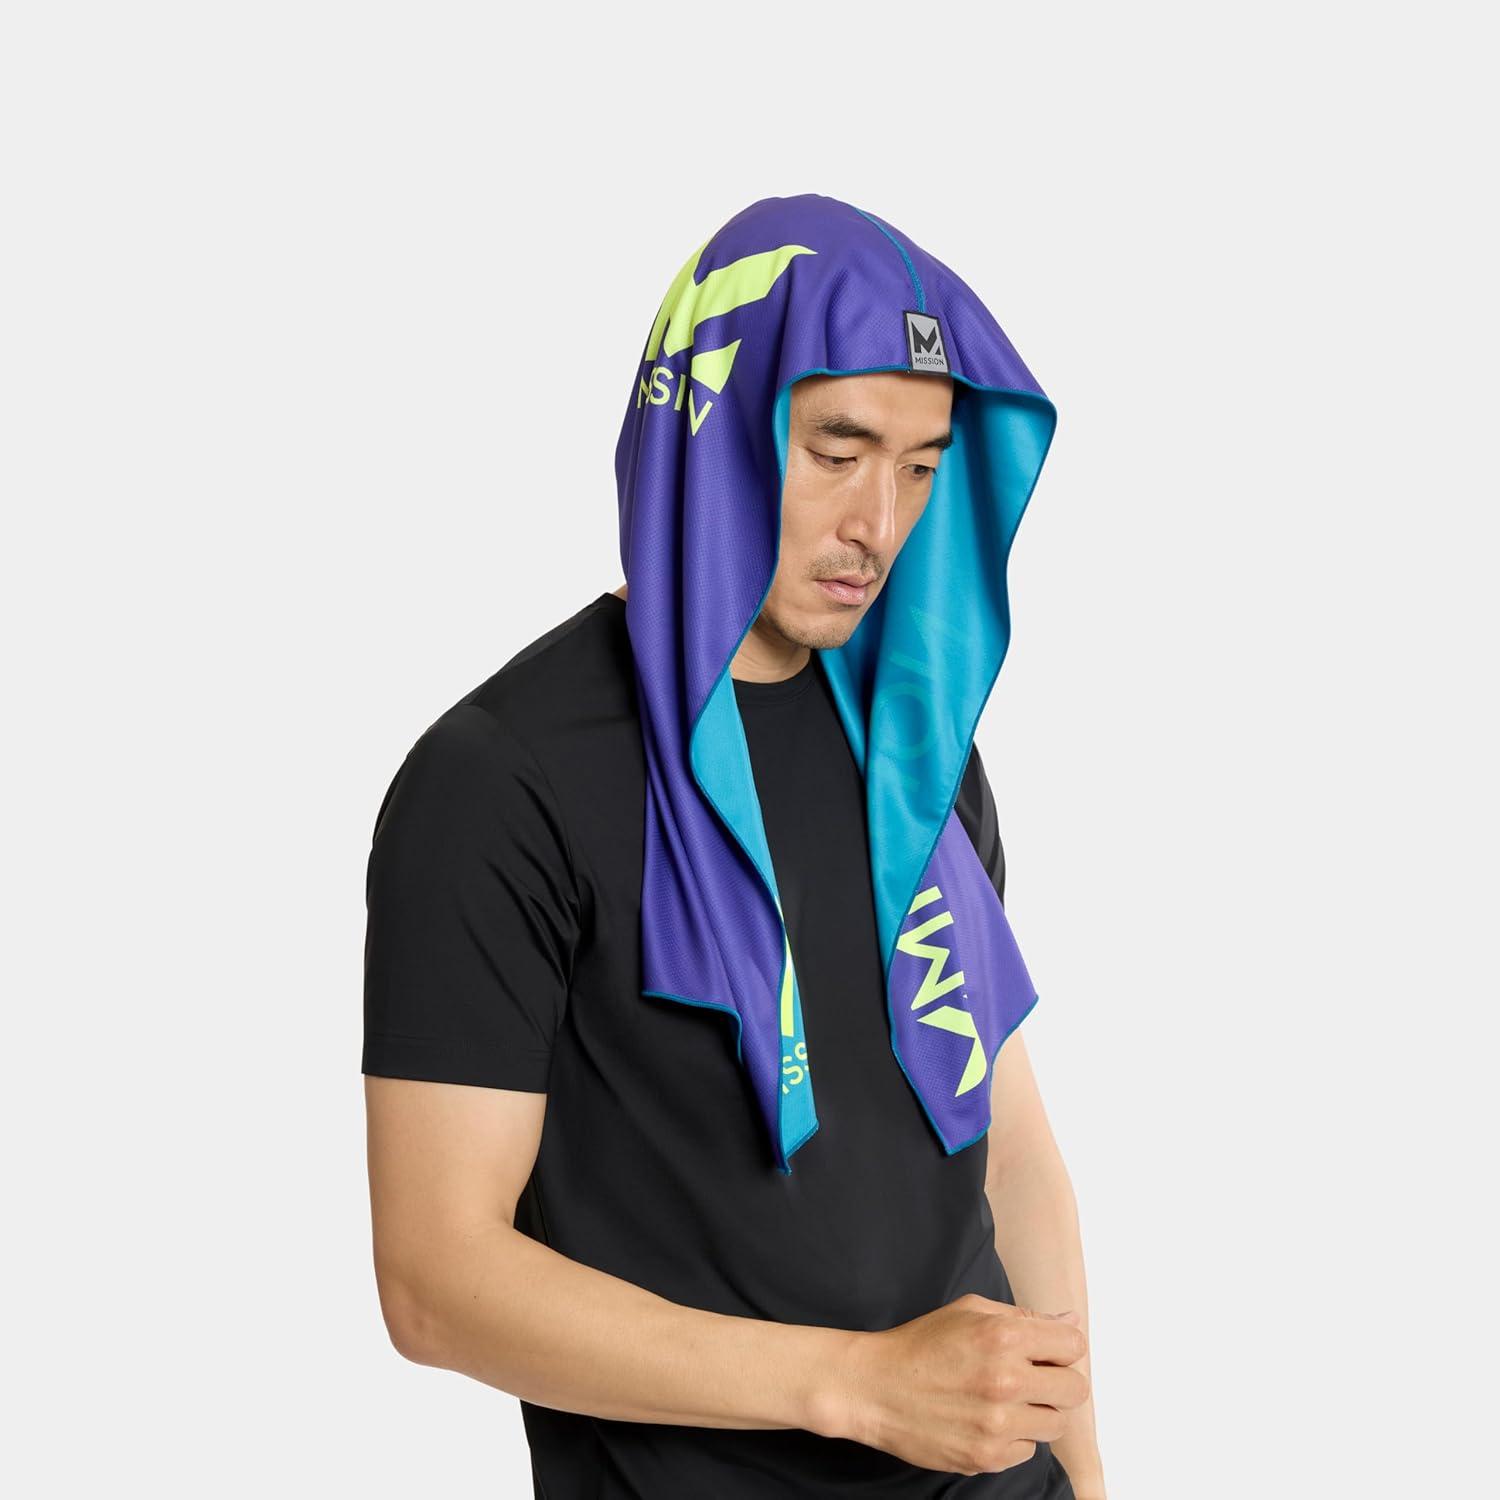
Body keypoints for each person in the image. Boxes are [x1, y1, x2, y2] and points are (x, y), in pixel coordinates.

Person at [361, 193, 1106, 1498]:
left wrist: (1089, 1481)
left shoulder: (916, 746)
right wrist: (858, 1387)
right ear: (708, 428)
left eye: (921, 467)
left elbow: (1013, 1159)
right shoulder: (501, 781)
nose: (881, 525)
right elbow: (436, 1280)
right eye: (838, 452)